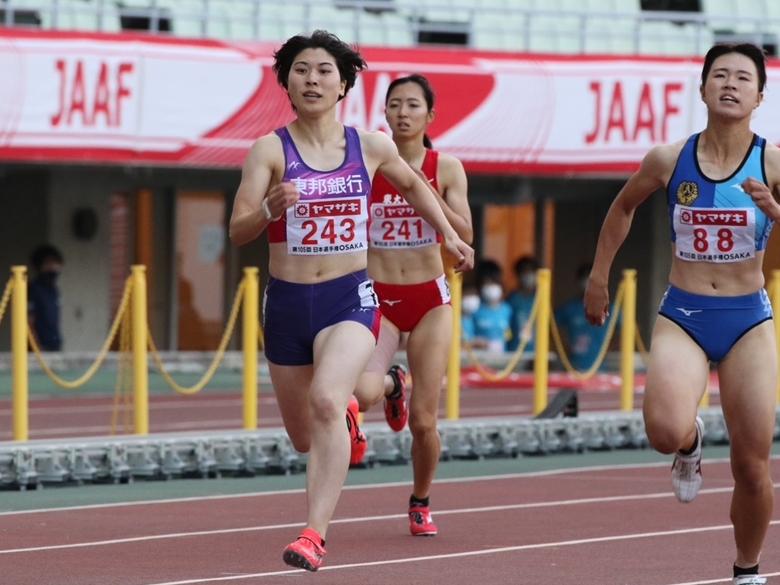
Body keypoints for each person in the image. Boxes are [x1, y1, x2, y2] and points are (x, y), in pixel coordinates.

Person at [228, 32, 473, 572]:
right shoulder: (269, 151)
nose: (311, 79)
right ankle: (386, 389)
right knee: (302, 438)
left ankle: (314, 536)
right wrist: (269, 209)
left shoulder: (369, 146)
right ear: (286, 82)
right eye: (300, 70)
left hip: (350, 296)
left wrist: (449, 236)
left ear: (344, 84)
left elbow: (414, 187)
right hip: (289, 302)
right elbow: (237, 229)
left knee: (326, 401)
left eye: (323, 71)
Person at [584, 43, 777, 585]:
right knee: (664, 430)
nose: (731, 84)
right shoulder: (669, 159)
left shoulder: (774, 162)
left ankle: (747, 572)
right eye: (720, 75)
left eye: (743, 78)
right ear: (703, 89)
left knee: (752, 467)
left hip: (748, 320)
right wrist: (599, 276)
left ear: (760, 95)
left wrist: (777, 214)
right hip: (684, 312)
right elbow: (623, 207)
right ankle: (690, 443)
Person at [351, 73, 473, 537]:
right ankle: (391, 386)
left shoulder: (447, 167)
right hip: (378, 298)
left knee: (424, 422)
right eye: (394, 104)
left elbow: (465, 233)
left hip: (428, 300)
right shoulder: (368, 164)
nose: (402, 113)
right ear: (383, 113)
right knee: (360, 393)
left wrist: (427, 194)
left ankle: (420, 501)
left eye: (412, 105)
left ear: (429, 115)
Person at [554, 262, 616, 371]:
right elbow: (551, 325)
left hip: (599, 367)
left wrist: (611, 347)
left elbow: (630, 327)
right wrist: (562, 347)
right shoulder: (570, 308)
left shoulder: (609, 308)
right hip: (574, 366)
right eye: (585, 278)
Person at [27, 244, 64, 352]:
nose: (53, 267)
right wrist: (36, 347)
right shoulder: (34, 289)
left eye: (56, 263)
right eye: (49, 263)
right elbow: (29, 320)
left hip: (54, 343)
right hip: (40, 346)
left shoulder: (53, 290)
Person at [471, 259, 512, 353]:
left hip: (502, 360)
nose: (491, 286)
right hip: (478, 359)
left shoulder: (507, 310)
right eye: (487, 283)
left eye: (494, 282)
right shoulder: (474, 308)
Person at [506, 255, 539, 354]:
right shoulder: (511, 299)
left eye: (531, 271)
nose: (528, 275)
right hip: (513, 352)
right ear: (518, 274)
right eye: (525, 271)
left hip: (535, 353)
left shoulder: (538, 298)